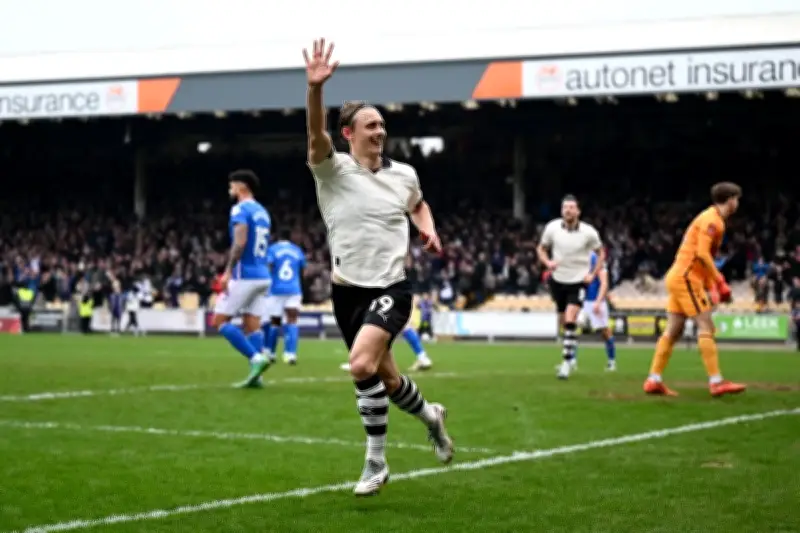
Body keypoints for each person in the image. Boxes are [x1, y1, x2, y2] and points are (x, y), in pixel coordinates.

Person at [303, 38, 453, 497]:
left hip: (392, 285)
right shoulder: (333, 171)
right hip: (346, 290)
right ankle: (431, 417)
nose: (379, 131)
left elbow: (419, 205)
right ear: (348, 134)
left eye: (382, 124)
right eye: (370, 125)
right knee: (385, 379)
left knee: (360, 363)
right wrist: (315, 92)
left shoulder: (404, 174)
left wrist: (428, 229)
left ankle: (376, 461)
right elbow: (315, 135)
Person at [643, 182, 746, 397]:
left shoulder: (710, 218)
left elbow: (702, 256)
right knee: (705, 325)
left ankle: (653, 379)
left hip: (679, 275)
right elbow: (701, 253)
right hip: (687, 277)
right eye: (737, 199)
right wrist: (719, 281)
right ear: (730, 200)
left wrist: (711, 284)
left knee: (674, 330)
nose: (737, 203)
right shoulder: (712, 221)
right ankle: (716, 381)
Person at [211, 170, 272, 388]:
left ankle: (257, 359)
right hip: (263, 275)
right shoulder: (263, 212)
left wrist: (228, 271)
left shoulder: (240, 208)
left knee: (219, 321)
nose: (230, 189)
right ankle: (257, 377)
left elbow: (240, 241)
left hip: (245, 274)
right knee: (252, 325)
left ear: (241, 187)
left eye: (232, 185)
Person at [537, 195, 605, 380]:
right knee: (563, 322)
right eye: (565, 207)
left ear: (578, 211)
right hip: (558, 280)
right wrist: (547, 262)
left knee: (569, 317)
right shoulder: (552, 228)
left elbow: (601, 253)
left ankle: (567, 362)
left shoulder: (589, 232)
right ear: (561, 211)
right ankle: (572, 342)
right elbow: (541, 248)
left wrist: (593, 273)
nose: (568, 210)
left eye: (571, 207)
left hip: (578, 280)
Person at [262, 229, 306, 365]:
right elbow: (302, 269)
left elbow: (268, 266)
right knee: (292, 320)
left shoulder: (272, 249)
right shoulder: (297, 250)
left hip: (276, 289)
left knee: (275, 321)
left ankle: (270, 353)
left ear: (277, 237)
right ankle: (290, 354)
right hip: (294, 289)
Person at [582, 250, 616, 371]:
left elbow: (604, 283)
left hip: (596, 301)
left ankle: (612, 361)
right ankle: (570, 361)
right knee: (571, 328)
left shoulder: (597, 260)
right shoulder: (580, 257)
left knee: (605, 331)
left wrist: (598, 301)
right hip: (583, 300)